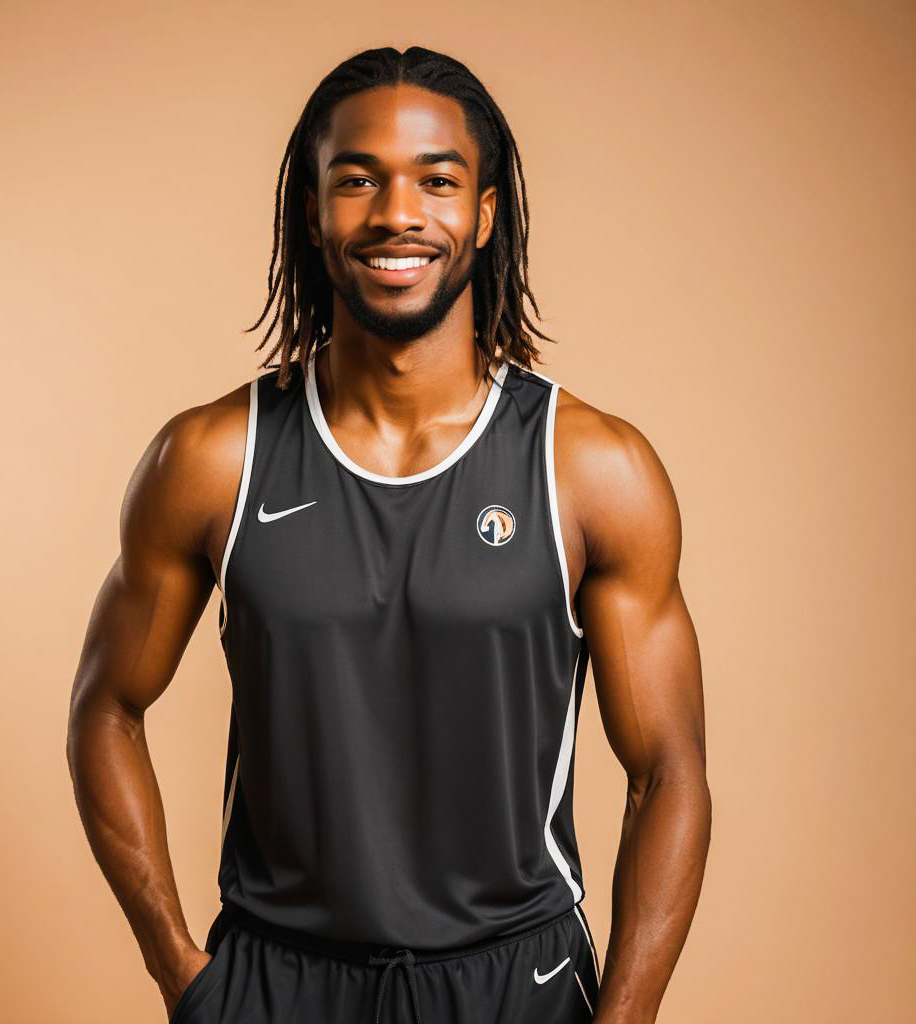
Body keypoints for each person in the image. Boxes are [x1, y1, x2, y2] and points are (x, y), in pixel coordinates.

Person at [67, 45, 710, 1024]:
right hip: (278, 984)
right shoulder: (211, 460)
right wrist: (184, 974)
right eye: (356, 179)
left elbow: (669, 771)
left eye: (437, 181)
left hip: (515, 986)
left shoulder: (591, 470)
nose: (396, 213)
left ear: (484, 215)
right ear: (311, 214)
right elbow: (104, 707)